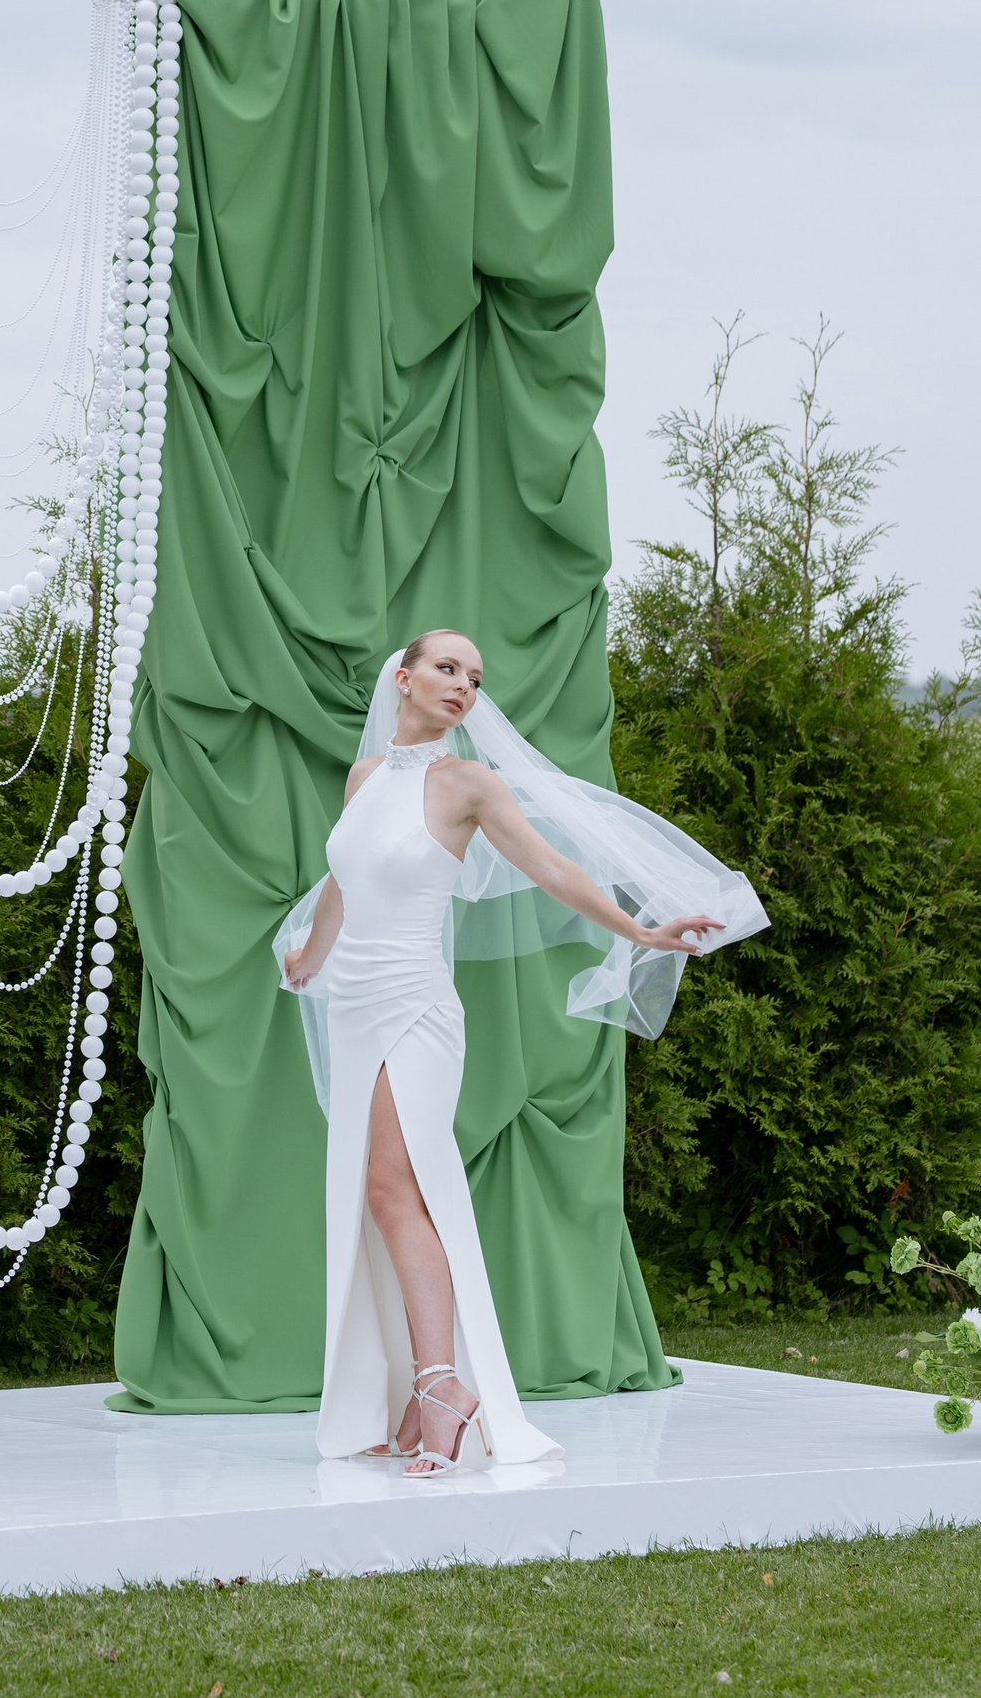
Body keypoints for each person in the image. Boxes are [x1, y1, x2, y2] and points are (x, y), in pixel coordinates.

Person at [280, 631, 765, 1475]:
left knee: (396, 1190)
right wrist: (311, 955)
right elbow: (342, 882)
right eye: (447, 668)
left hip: (416, 1007)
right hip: (353, 1004)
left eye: (474, 677)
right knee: (375, 1195)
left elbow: (554, 868)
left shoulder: (470, 783)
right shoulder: (365, 778)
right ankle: (416, 1387)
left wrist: (642, 929)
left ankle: (444, 1387)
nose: (463, 685)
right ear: (403, 676)